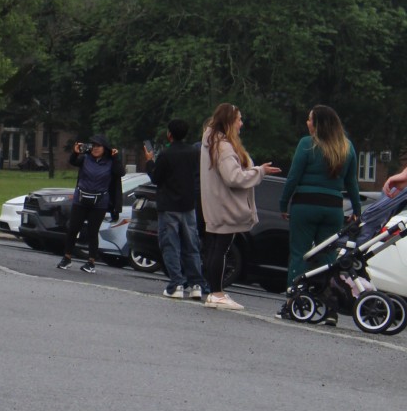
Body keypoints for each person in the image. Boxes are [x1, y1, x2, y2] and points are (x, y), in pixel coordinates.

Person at [279, 105, 361, 323]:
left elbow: (293, 177)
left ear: (318, 124)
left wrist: (283, 203)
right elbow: (352, 183)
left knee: (300, 254)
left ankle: (293, 301)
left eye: (310, 119)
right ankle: (331, 309)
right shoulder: (347, 148)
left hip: (305, 205)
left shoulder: (307, 144)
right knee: (328, 258)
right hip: (333, 207)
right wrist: (357, 210)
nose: (307, 123)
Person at [199, 103, 280, 310]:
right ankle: (217, 293)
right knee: (221, 249)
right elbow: (233, 177)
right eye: (239, 119)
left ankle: (214, 291)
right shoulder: (224, 146)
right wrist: (259, 171)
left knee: (215, 248)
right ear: (229, 121)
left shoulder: (211, 142)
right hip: (227, 206)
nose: (241, 124)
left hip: (215, 203)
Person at [144, 119, 205, 300]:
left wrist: (149, 162)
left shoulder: (166, 154)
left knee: (170, 245)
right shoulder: (194, 152)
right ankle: (196, 284)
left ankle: (176, 283)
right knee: (191, 245)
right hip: (189, 204)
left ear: (169, 134)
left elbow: (156, 178)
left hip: (169, 205)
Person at [57, 133, 124, 274]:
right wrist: (75, 153)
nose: (95, 148)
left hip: (99, 202)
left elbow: (120, 172)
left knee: (92, 232)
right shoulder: (85, 158)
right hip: (81, 199)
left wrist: (116, 157)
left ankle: (91, 261)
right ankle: (67, 257)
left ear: (105, 148)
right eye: (93, 146)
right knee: (73, 228)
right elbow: (73, 162)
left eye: (98, 146)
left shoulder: (110, 162)